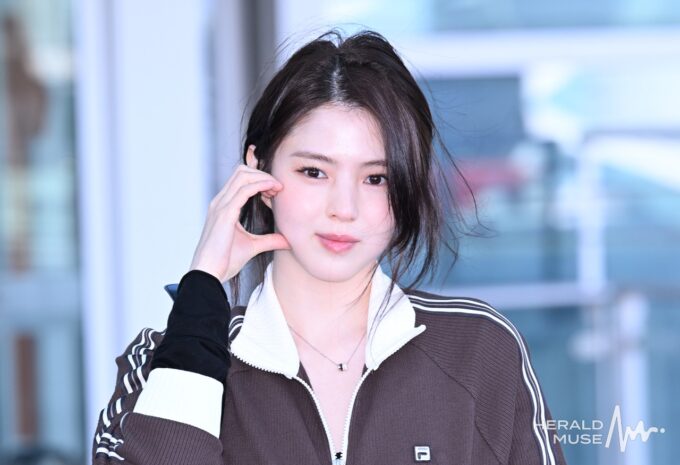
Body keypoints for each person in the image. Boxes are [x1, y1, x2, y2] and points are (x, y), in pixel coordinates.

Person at [92, 29, 567, 465]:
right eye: (314, 172)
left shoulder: (480, 349)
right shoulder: (162, 363)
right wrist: (203, 290)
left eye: (376, 178)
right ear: (258, 168)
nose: (344, 207)